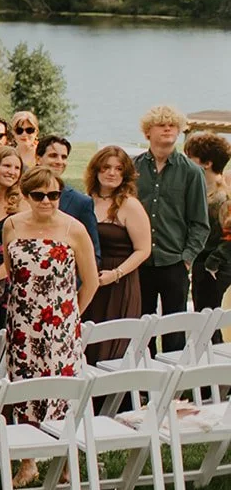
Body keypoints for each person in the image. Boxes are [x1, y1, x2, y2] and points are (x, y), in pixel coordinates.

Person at [0, 165, 98, 486]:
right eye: (38, 195)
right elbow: (11, 272)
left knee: (61, 391)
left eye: (53, 195)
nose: (46, 201)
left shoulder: (74, 228)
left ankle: (66, 461)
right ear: (26, 196)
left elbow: (91, 280)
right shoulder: (12, 225)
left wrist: (72, 316)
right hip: (22, 324)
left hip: (60, 328)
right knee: (24, 390)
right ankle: (28, 462)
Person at [134, 105, 210, 351]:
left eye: (172, 125)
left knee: (174, 330)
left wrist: (186, 259)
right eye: (161, 124)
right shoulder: (132, 169)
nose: (168, 128)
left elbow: (200, 224)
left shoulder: (192, 172)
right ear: (148, 132)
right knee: (141, 327)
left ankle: (173, 387)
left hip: (174, 263)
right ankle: (142, 384)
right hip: (140, 263)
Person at [82, 147, 152, 363]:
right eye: (106, 167)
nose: (111, 173)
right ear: (96, 170)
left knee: (112, 347)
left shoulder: (130, 205)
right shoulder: (85, 201)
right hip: (88, 280)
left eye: (118, 169)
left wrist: (116, 274)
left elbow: (143, 250)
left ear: (125, 174)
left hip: (119, 283)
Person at [36, 136, 102, 269]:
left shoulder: (81, 203)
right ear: (38, 158)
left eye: (64, 157)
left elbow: (93, 256)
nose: (59, 161)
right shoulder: (20, 195)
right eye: (53, 156)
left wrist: (71, 285)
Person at [184, 131, 231, 312]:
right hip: (204, 267)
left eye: (191, 157)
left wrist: (212, 263)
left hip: (216, 270)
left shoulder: (222, 198)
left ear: (207, 163)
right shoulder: (204, 193)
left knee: (212, 323)